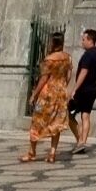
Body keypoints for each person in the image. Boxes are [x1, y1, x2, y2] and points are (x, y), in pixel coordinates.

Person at [22, 32, 72, 163]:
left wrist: (34, 94)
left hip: (48, 93)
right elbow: (69, 74)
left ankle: (32, 152)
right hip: (61, 93)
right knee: (56, 123)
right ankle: (52, 153)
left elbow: (44, 78)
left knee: (37, 121)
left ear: (53, 43)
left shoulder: (49, 59)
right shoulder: (67, 58)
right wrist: (62, 85)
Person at [68, 28, 96, 154]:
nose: (82, 42)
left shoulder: (88, 55)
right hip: (93, 88)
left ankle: (80, 141)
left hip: (83, 89)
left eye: (83, 39)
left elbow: (84, 72)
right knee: (85, 115)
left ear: (90, 40)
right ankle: (83, 141)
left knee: (69, 114)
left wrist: (75, 89)